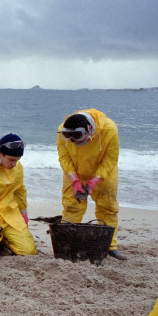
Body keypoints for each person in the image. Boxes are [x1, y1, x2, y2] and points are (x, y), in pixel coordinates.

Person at [57, 109, 125, 260]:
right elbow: (63, 157)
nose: (75, 142)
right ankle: (66, 245)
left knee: (107, 208)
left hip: (102, 172)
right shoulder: (63, 130)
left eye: (78, 139)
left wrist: (95, 181)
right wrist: (74, 180)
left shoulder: (109, 129)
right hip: (73, 171)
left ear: (88, 129)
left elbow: (111, 159)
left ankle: (109, 246)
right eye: (71, 139)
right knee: (71, 206)